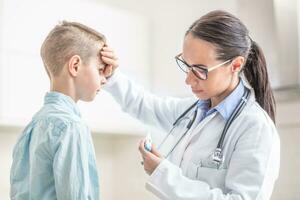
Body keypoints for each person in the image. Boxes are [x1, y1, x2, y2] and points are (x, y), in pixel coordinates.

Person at [101, 10, 280, 199]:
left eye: (200, 70)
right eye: (187, 66)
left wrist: (162, 174)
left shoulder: (255, 128)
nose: (188, 80)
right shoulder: (193, 110)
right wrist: (112, 76)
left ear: (235, 65)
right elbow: (144, 105)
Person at [10, 21, 111, 200]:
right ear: (75, 66)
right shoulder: (72, 127)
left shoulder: (33, 125)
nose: (105, 79)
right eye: (100, 69)